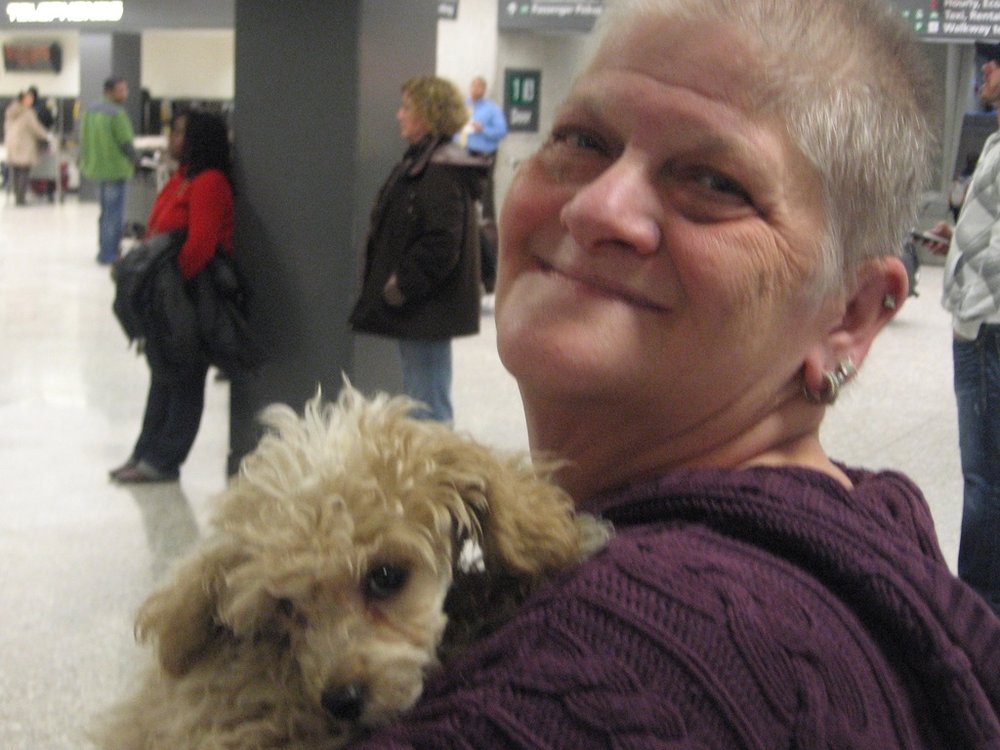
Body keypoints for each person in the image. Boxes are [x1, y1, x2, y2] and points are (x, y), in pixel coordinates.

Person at [349, 0, 1000, 747]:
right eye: (583, 139)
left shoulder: (616, 673)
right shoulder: (858, 535)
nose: (598, 209)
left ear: (849, 314)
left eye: (717, 183)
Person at [350, 75, 487, 424]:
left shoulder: (440, 169)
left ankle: (437, 476)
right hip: (422, 308)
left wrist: (402, 286)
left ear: (428, 114)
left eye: (407, 108)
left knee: (427, 407)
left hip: (426, 308)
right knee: (421, 398)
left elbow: (441, 243)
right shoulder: (427, 162)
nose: (399, 115)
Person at [110, 110, 234, 484]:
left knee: (184, 377)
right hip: (167, 295)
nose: (171, 140)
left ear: (199, 139)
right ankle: (145, 451)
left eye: (179, 133)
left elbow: (200, 244)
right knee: (162, 373)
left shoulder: (210, 182)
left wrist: (171, 284)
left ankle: (165, 460)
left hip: (190, 295)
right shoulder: (182, 178)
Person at [921, 53, 1000, 620]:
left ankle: (978, 610)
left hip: (988, 328)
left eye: (992, 66)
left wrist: (969, 270)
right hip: (981, 319)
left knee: (985, 479)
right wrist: (957, 241)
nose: (982, 76)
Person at [79, 76, 138, 265]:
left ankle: (103, 250)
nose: (125, 94)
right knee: (115, 215)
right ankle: (110, 254)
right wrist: (136, 160)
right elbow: (125, 142)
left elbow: (83, 137)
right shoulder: (117, 113)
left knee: (105, 213)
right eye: (121, 90)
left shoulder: (90, 111)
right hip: (115, 169)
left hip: (96, 168)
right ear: (109, 92)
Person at [461, 76, 508, 292]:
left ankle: (490, 272)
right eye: (473, 85)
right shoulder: (465, 107)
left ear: (484, 88)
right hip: (463, 156)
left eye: (478, 86)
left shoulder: (491, 109)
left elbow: (501, 132)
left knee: (482, 205)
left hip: (483, 157)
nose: (474, 89)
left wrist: (482, 130)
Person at [3, 90, 49, 206]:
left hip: (12, 144)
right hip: (25, 145)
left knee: (16, 171)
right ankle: (21, 199)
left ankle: (17, 197)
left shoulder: (10, 111)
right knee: (24, 171)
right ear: (23, 100)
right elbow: (36, 128)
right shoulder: (27, 112)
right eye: (29, 98)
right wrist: (47, 136)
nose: (31, 100)